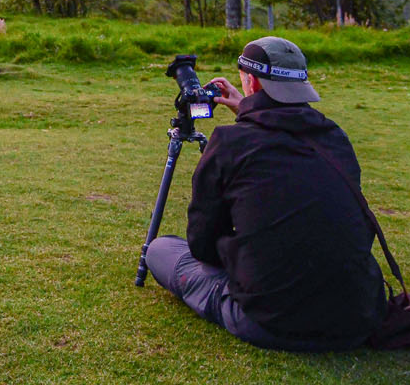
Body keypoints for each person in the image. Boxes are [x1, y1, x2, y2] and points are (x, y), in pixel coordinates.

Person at [142, 36, 386, 351]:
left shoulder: (230, 143)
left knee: (160, 250)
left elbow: (201, 246)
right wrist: (246, 108)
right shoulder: (334, 137)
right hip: (357, 316)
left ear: (252, 81)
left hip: (271, 320)